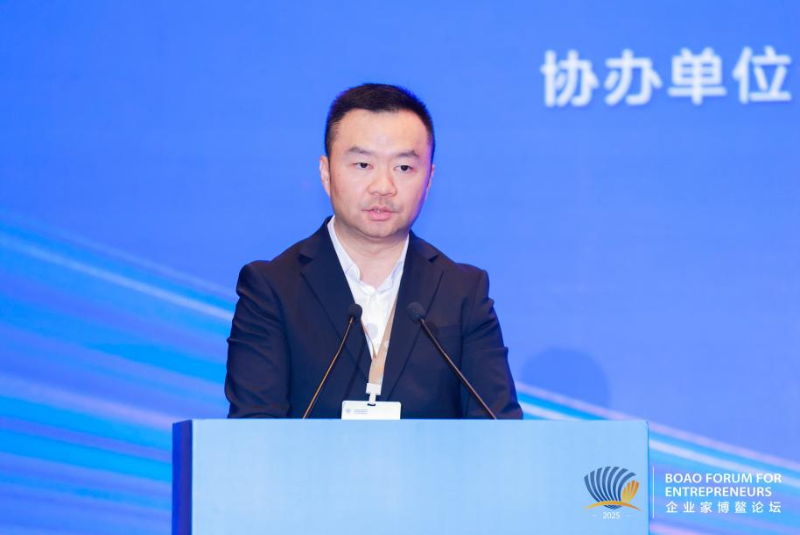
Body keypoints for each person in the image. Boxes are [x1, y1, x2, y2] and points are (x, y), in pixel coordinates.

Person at [225, 83, 522, 419]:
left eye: (403, 168)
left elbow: (498, 427)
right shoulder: (272, 288)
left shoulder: (463, 292)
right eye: (363, 165)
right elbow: (254, 428)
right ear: (326, 172)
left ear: (429, 179)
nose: (383, 187)